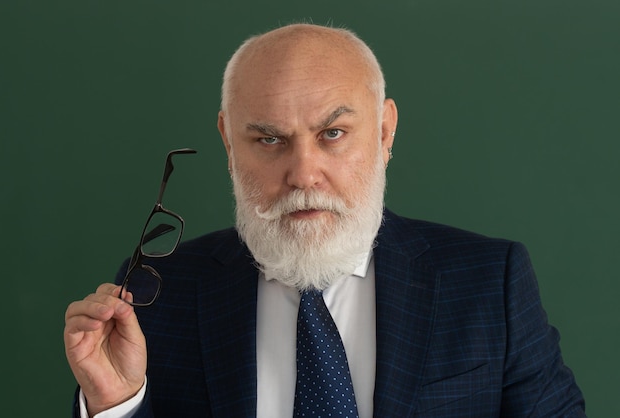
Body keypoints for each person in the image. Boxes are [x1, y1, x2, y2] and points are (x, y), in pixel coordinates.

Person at [64, 23, 586, 417]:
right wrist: (117, 404)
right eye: (269, 139)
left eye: (332, 134)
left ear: (384, 133)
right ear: (228, 142)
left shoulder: (489, 282)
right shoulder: (157, 292)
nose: (303, 174)